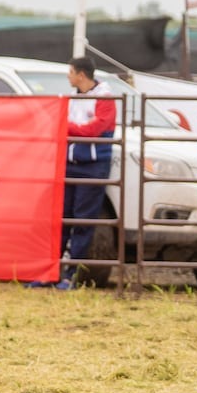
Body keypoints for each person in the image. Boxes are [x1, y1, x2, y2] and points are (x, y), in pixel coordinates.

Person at [59, 56, 116, 287]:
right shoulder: (73, 97)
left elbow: (95, 129)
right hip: (70, 163)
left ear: (81, 75)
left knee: (83, 221)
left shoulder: (104, 97)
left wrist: (65, 127)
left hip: (92, 166)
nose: (68, 76)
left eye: (70, 72)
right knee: (63, 218)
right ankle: (55, 271)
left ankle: (72, 274)